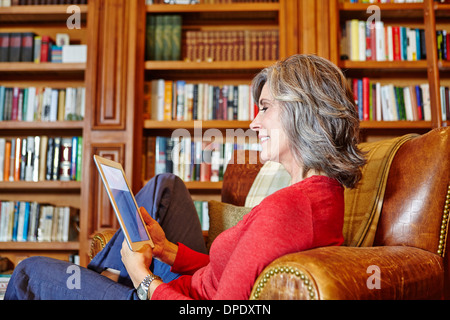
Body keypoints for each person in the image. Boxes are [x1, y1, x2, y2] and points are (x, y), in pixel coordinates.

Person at [5, 54, 366, 300]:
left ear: (303, 110)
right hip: (179, 284)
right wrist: (168, 251)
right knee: (167, 184)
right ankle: (106, 275)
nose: (254, 123)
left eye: (266, 108)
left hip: (163, 295)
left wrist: (145, 282)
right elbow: (227, 270)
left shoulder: (288, 209)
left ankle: (105, 275)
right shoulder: (318, 196)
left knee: (29, 271)